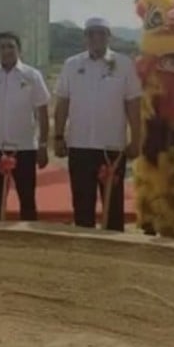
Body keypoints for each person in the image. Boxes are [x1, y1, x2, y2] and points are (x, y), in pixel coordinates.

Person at [54, 17, 141, 231]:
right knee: (82, 206)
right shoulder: (72, 65)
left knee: (113, 207)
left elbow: (133, 104)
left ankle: (113, 255)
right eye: (91, 34)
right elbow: (63, 102)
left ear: (108, 36)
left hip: (112, 149)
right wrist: (58, 136)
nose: (96, 38)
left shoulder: (124, 64)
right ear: (85, 37)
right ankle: (86, 255)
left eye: (101, 33)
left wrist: (136, 139)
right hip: (80, 145)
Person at [0, 31, 51, 221]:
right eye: (2, 47)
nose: (7, 51)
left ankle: (29, 240)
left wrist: (43, 145)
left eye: (11, 46)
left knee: (27, 198)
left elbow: (43, 112)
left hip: (24, 148)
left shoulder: (32, 76)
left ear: (19, 50)